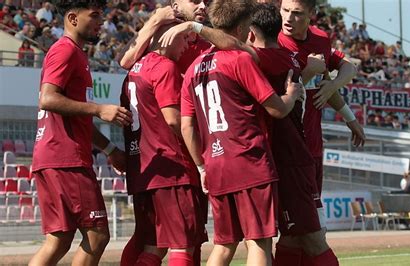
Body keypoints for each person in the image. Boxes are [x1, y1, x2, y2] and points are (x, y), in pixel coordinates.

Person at [181, 1, 305, 265]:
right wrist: (291, 95)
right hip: (249, 161)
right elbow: (278, 109)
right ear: (241, 28)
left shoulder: (193, 68)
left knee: (224, 245)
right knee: (258, 242)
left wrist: (202, 167)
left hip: (216, 165)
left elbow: (186, 126)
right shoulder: (239, 59)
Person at [29, 1, 133, 265]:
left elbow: (77, 117)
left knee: (60, 239)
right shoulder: (65, 51)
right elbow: (48, 99)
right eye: (95, 15)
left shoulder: (75, 54)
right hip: (65, 159)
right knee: (97, 236)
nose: (101, 22)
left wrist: (110, 150)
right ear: (73, 19)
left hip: (55, 157)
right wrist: (99, 109)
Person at [276, 0, 365, 264]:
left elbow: (341, 72)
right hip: (289, 154)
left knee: (295, 235)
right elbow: (274, 99)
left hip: (313, 151)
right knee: (312, 235)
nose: (289, 18)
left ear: (312, 15)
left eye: (297, 13)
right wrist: (307, 72)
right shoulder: (275, 42)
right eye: (285, 10)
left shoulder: (320, 40)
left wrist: (349, 117)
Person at [120, 21, 208, 266]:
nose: (187, 44)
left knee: (153, 245)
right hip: (172, 169)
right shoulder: (165, 67)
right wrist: (201, 144)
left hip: (145, 169)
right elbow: (173, 120)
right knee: (183, 244)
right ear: (166, 37)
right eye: (183, 39)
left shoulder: (133, 71)